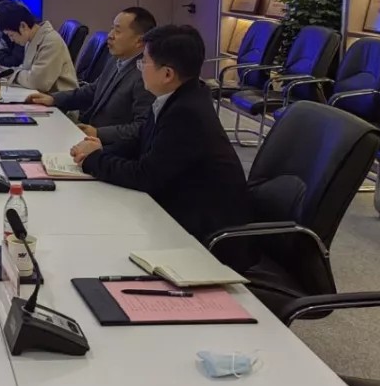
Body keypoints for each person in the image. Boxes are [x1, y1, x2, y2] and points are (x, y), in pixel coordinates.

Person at [71, 25, 249, 244]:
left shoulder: (186, 114)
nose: (139, 68)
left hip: (200, 233)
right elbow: (140, 141)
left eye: (144, 62)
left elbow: (145, 176)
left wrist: (94, 159)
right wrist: (99, 150)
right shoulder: (179, 96)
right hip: (177, 208)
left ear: (167, 74)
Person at [26, 7, 156, 146]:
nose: (110, 35)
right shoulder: (116, 59)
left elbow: (142, 128)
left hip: (111, 147)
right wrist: (54, 99)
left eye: (117, 31)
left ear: (139, 41)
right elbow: (93, 90)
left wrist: (98, 133)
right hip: (90, 136)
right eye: (112, 29)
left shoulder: (146, 74)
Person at [0, 1, 78, 93]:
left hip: (60, 98)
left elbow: (38, 82)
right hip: (44, 94)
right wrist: (8, 74)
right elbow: (26, 70)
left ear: (23, 26)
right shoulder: (31, 39)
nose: (11, 40)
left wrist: (15, 74)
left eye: (11, 35)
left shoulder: (51, 41)